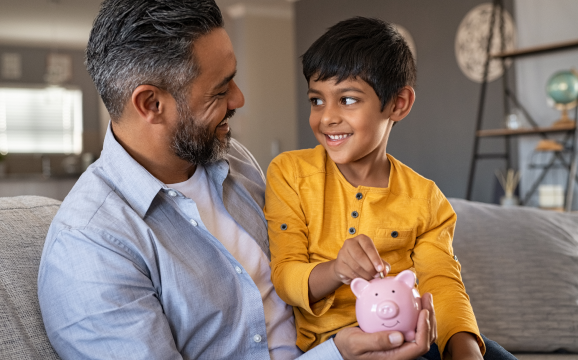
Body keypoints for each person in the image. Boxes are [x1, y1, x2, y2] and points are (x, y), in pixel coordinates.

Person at [38, 1, 437, 359]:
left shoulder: (233, 162)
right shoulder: (90, 246)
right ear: (151, 104)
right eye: (220, 89)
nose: (239, 99)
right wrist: (337, 355)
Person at [264, 17, 517, 360]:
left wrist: (466, 348)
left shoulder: (426, 198)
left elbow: (441, 283)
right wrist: (337, 269)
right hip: (337, 347)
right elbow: (285, 275)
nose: (326, 118)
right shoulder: (290, 173)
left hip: (417, 337)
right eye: (316, 100)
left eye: (348, 100)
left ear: (398, 104)